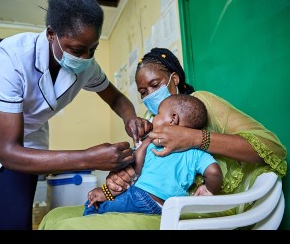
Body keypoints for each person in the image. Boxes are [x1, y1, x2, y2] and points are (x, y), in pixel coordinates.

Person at [0, 0, 152, 230]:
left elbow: (116, 98)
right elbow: (7, 151)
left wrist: (131, 119)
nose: (86, 58)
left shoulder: (86, 66)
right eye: (77, 50)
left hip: (28, 140)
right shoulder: (12, 56)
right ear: (50, 34)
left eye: (93, 49)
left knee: (16, 219)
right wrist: (89, 158)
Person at [38, 47, 287, 230]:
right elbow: (140, 171)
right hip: (149, 199)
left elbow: (273, 149)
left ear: (174, 79)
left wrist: (193, 138)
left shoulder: (203, 103)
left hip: (197, 211)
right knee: (54, 217)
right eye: (143, 92)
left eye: (154, 85)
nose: (148, 96)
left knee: (68, 227)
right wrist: (113, 183)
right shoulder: (154, 120)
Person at [83, 94, 223, 216]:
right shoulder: (198, 152)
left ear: (173, 119)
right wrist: (208, 189)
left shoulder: (156, 143)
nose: (153, 119)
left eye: (157, 114)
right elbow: (214, 172)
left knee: (93, 205)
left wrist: (145, 142)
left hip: (143, 197)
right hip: (171, 208)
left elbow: (133, 171)